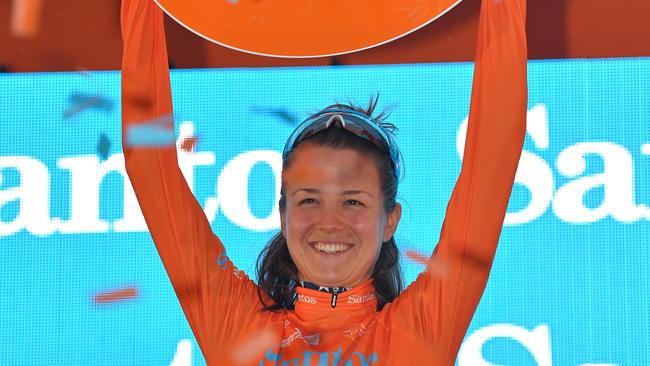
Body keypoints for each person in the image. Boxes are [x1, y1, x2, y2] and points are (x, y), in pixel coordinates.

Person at [121, 0, 527, 364]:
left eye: (353, 201)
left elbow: (492, 158)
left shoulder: (422, 329)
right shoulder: (238, 328)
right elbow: (150, 169)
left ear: (390, 220)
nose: (329, 222)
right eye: (309, 200)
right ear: (283, 215)